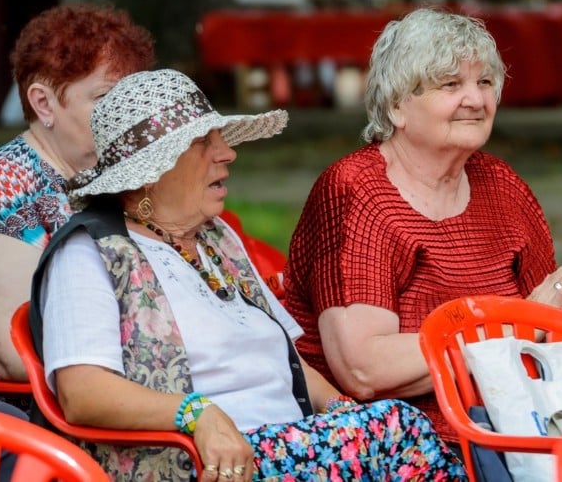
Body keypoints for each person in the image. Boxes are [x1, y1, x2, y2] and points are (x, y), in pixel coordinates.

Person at [32, 69, 465, 482]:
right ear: (151, 171)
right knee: (398, 428)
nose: (227, 153)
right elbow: (82, 392)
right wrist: (196, 414)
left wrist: (340, 409)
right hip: (197, 461)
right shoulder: (90, 252)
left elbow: (286, 358)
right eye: (203, 141)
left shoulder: (215, 238)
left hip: (287, 444)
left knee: (391, 430)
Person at [281, 7, 562, 443]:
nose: (475, 99)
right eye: (451, 84)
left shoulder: (503, 188)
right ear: (397, 105)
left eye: (484, 82)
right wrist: (517, 327)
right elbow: (364, 369)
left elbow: (545, 315)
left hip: (514, 427)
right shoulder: (357, 192)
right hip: (402, 448)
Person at [0, 3, 155, 384]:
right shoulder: (5, 182)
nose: (127, 115)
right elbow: (12, 355)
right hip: (50, 413)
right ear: (43, 103)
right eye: (106, 99)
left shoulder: (115, 173)